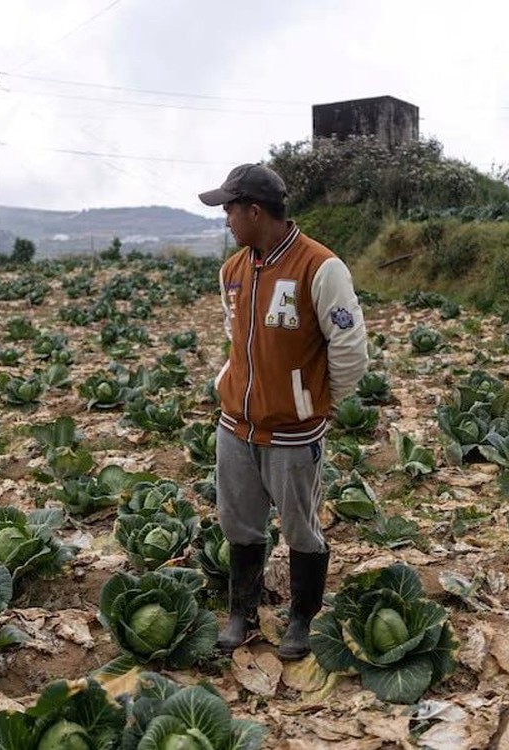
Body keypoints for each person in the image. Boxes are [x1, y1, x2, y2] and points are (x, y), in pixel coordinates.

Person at [198, 163, 368, 660]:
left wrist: (317, 401)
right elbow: (237, 341)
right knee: (239, 524)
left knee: (300, 527)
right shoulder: (232, 270)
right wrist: (225, 384)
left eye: (230, 208)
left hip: (294, 433)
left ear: (255, 211)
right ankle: (241, 613)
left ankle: (300, 618)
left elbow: (350, 348)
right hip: (236, 425)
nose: (226, 217)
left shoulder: (321, 267)